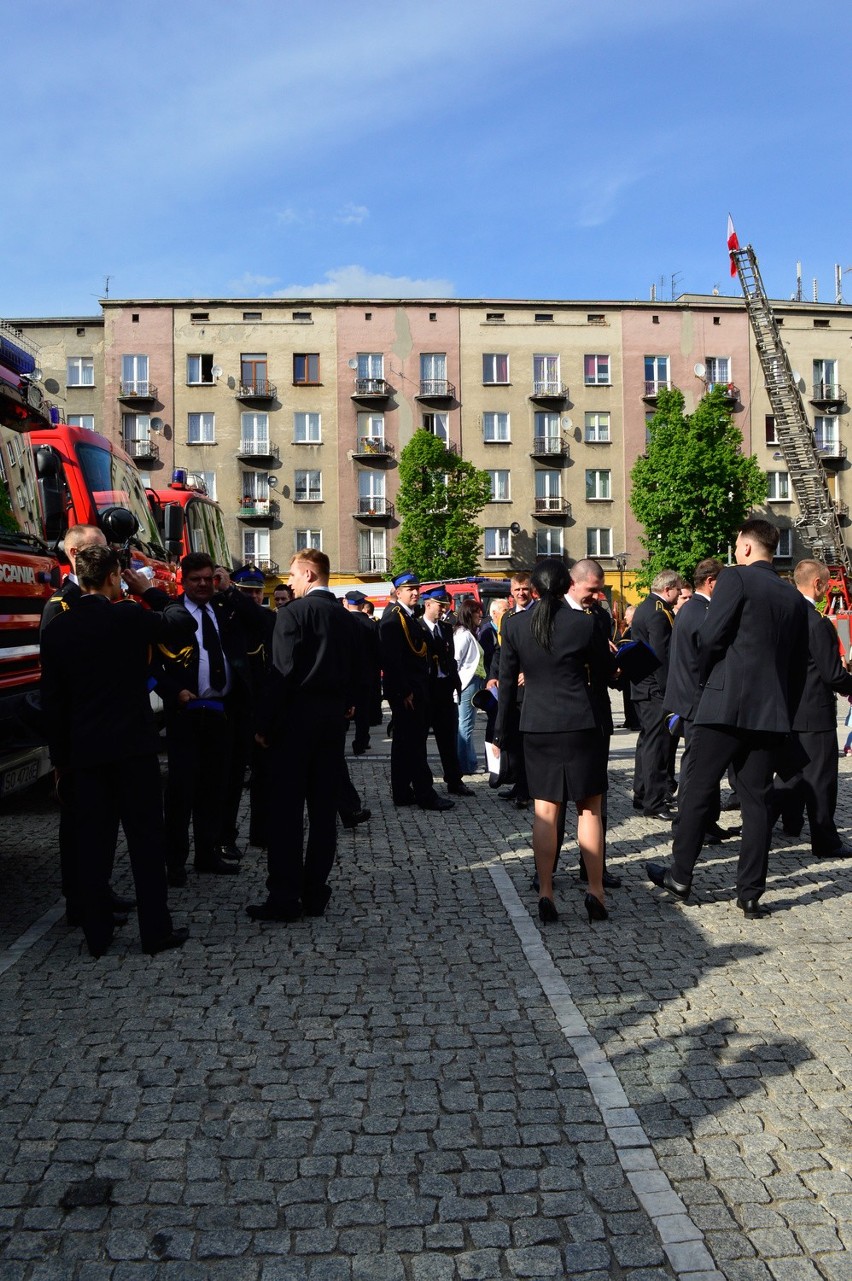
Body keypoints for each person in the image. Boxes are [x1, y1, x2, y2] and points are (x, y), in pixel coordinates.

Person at [646, 519, 809, 918]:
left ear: (748, 548)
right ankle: (750, 892)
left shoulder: (736, 580)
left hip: (721, 708)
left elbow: (710, 637)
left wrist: (706, 680)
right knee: (756, 801)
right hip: (769, 714)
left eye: (737, 544)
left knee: (698, 790)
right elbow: (796, 666)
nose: (735, 551)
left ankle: (680, 875)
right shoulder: (791, 596)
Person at [40, 546, 195, 957]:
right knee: (145, 840)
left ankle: (97, 934)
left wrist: (60, 760)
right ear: (114, 577)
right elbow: (181, 625)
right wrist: (151, 591)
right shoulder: (128, 614)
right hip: (133, 746)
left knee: (92, 842)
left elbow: (53, 702)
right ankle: (155, 931)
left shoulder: (58, 629)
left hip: (85, 751)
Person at [495, 558, 612, 926]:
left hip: (537, 725)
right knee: (589, 809)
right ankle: (595, 891)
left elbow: (506, 681)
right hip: (581, 723)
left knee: (545, 812)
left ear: (532, 588)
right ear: (565, 586)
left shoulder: (513, 625)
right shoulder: (584, 623)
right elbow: (605, 674)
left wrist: (500, 732)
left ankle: (546, 890)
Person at [247, 549, 358, 921]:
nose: (289, 582)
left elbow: (281, 673)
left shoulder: (292, 614)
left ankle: (284, 896)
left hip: (294, 724)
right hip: (331, 724)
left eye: (293, 575)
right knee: (324, 813)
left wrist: (263, 725)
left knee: (287, 812)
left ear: (309, 574)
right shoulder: (346, 618)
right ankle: (315, 892)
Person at [156, 552, 268, 884]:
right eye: (196, 580)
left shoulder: (225, 609)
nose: (204, 585)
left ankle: (208, 852)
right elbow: (148, 667)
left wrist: (230, 589)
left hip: (223, 713)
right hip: (185, 713)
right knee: (181, 792)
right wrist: (172, 692)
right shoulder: (169, 613)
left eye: (209, 578)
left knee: (215, 790)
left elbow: (262, 623)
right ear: (183, 581)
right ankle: (174, 861)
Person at [771, 559, 852, 858]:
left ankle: (780, 823)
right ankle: (826, 841)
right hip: (814, 713)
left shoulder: (785, 616)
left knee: (790, 775)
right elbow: (832, 675)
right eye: (828, 583)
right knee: (820, 781)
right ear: (817, 584)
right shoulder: (815, 622)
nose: (829, 588)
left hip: (789, 710)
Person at [663, 557, 738, 846]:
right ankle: (688, 825)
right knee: (695, 767)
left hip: (692, 697)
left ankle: (707, 821)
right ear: (710, 582)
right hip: (696, 700)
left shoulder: (694, 608)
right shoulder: (700, 611)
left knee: (703, 764)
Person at [379, 571, 454, 812]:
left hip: (414, 688)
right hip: (408, 692)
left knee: (403, 742)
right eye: (409, 589)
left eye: (416, 589)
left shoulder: (408, 616)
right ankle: (425, 793)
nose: (414, 593)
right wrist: (404, 692)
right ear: (397, 592)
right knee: (414, 744)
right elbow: (392, 660)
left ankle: (402, 791)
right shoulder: (394, 618)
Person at [630, 569, 683, 819]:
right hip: (655, 689)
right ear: (668, 589)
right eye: (678, 589)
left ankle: (642, 793)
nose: (680, 594)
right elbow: (662, 657)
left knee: (646, 743)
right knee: (657, 746)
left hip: (643, 686)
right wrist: (669, 691)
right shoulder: (659, 613)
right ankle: (654, 801)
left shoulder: (645, 606)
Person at [486, 572, 535, 809]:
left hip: (532, 689)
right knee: (513, 740)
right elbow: (500, 651)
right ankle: (518, 784)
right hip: (511, 689)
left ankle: (526, 790)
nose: (521, 593)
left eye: (525, 589)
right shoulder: (508, 618)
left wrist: (532, 672)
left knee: (527, 742)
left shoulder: (539, 614)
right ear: (511, 593)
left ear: (531, 590)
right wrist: (493, 676)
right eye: (517, 590)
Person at [420, 587, 472, 797]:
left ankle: (454, 780)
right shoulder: (417, 627)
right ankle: (424, 783)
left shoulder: (446, 627)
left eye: (445, 605)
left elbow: (450, 657)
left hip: (444, 688)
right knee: (421, 739)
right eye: (439, 605)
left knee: (448, 738)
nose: (443, 610)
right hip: (426, 689)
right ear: (428, 604)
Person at [343, 590, 382, 755]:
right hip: (365, 674)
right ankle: (361, 742)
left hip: (345, 674)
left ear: (348, 602)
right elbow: (377, 651)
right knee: (363, 711)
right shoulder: (371, 624)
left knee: (343, 708)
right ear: (361, 604)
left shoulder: (341, 621)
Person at [454, 597, 486, 776]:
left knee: (467, 725)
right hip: (467, 684)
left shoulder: (467, 633)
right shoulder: (463, 635)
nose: (480, 615)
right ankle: (465, 765)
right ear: (469, 614)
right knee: (465, 725)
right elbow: (456, 661)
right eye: (476, 612)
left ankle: (470, 762)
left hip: (472, 683)